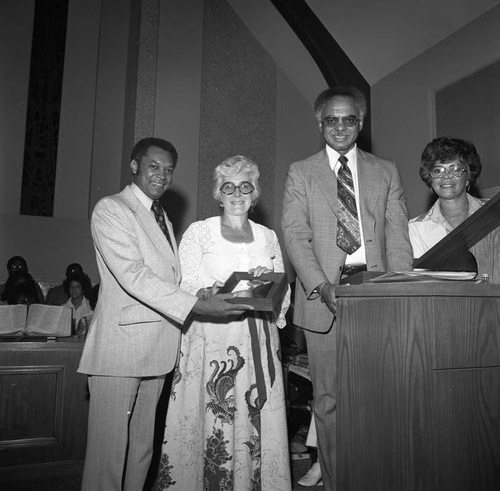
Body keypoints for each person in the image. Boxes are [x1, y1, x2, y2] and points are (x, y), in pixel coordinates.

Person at [77, 138, 252, 491]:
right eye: (154, 166)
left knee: (142, 451)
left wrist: (203, 293)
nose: (162, 175)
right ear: (134, 166)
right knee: (107, 459)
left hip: (157, 350)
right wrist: (198, 306)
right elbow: (134, 276)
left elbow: (169, 280)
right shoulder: (112, 209)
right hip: (119, 351)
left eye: (169, 169)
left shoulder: (162, 218)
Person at [281, 86, 413, 491]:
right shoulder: (301, 172)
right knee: (330, 400)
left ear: (361, 122)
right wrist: (322, 286)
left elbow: (397, 236)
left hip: (377, 293)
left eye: (349, 119)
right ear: (320, 122)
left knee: (378, 397)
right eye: (332, 119)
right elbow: (295, 235)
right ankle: (337, 481)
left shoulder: (385, 170)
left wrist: (399, 288)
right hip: (326, 297)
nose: (341, 126)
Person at [154, 155, 292, 491]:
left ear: (255, 192)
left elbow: (283, 294)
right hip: (211, 341)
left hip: (257, 340)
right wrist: (206, 291)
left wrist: (269, 284)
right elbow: (181, 286)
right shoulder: (200, 232)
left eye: (245, 186)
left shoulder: (267, 237)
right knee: (210, 417)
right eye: (228, 186)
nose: (236, 193)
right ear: (218, 193)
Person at [409, 137, 500, 282]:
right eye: (438, 170)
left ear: (468, 176)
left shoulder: (495, 212)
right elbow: (423, 283)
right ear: (430, 180)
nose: (446, 176)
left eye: (455, 169)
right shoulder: (416, 228)